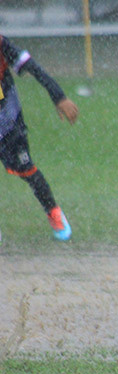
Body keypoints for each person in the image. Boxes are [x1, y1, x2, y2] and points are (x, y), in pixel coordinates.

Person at [0, 35, 78, 241]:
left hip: (7, 120)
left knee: (27, 169)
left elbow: (34, 68)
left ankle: (54, 213)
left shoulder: (2, 44)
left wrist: (58, 96)